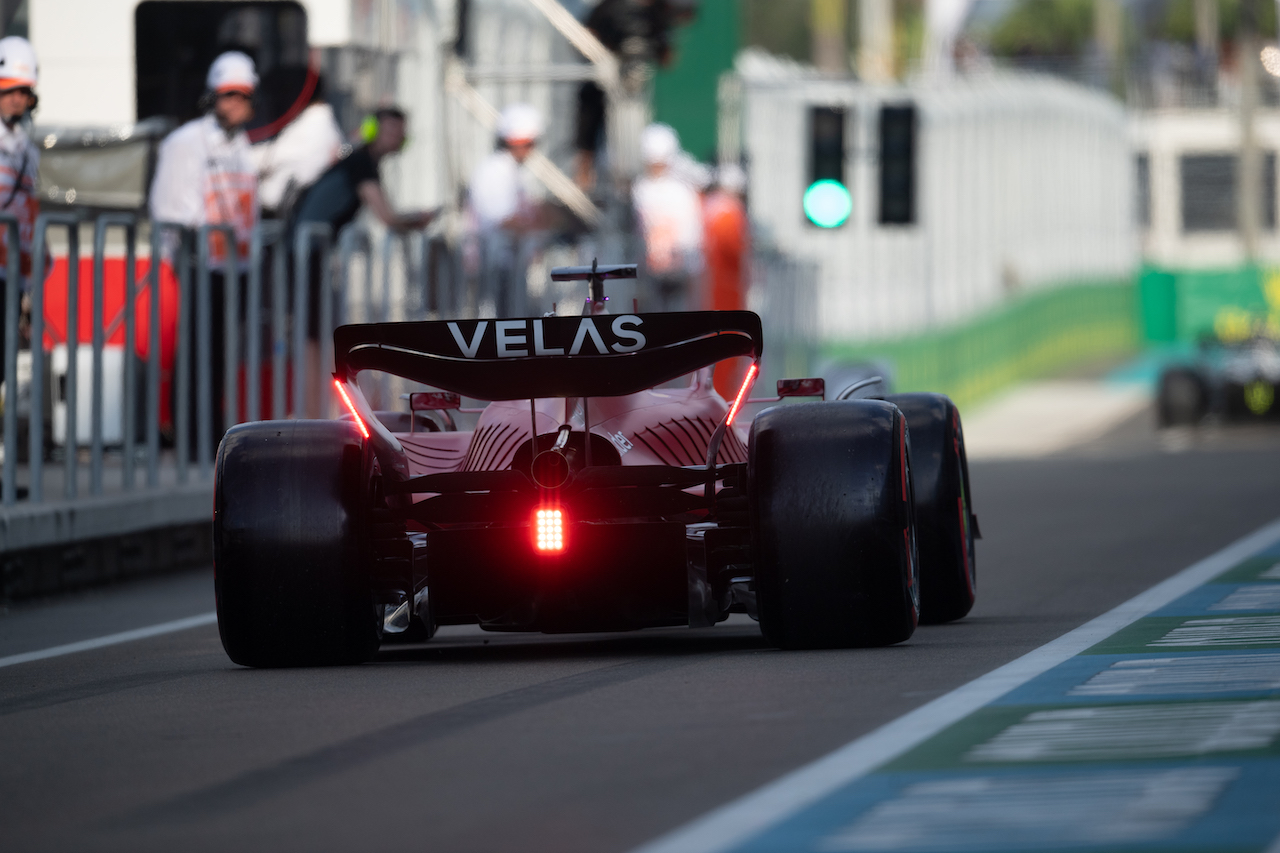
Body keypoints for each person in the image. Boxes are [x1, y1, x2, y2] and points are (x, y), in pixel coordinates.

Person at [149, 51, 261, 455]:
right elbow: (169, 205)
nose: (236, 104)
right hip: (199, 262)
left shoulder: (241, 145)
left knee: (220, 353)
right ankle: (191, 436)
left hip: (235, 266)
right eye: (228, 95)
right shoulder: (186, 143)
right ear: (212, 97)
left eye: (243, 96)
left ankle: (211, 433)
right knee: (197, 349)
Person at [292, 106, 435, 412]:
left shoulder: (361, 162)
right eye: (389, 131)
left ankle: (317, 412)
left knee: (315, 333)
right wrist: (417, 220)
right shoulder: (361, 163)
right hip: (305, 254)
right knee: (311, 336)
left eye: (398, 132)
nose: (394, 138)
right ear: (373, 131)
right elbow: (387, 216)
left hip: (310, 253)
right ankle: (313, 415)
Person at [467, 104, 546, 317]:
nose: (532, 150)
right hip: (495, 265)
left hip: (509, 264)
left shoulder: (510, 170)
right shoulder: (495, 170)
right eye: (530, 144)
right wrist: (544, 225)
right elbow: (500, 219)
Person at [0, 36, 40, 377]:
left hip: (12, 274)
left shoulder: (28, 149)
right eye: (9, 90)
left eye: (24, 92)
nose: (17, 99)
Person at [632, 123, 703, 312]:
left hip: (678, 269)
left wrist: (689, 265)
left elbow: (691, 233)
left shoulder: (681, 191)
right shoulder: (640, 189)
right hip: (648, 271)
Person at [251, 73, 343, 220]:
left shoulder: (314, 126)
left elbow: (269, 158)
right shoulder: (316, 123)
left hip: (277, 216)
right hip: (284, 213)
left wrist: (233, 156)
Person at [702, 163, 750, 398]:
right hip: (725, 286)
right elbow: (735, 250)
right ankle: (721, 395)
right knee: (727, 341)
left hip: (713, 285)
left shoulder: (709, 207)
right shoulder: (729, 212)